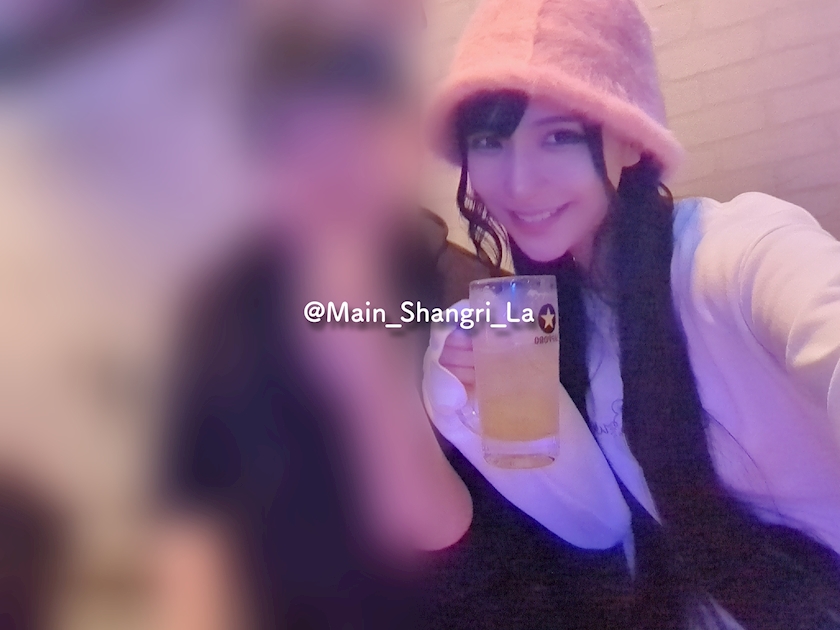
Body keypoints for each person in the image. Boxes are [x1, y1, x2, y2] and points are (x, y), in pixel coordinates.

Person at [422, 0, 840, 628]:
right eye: (489, 141)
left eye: (560, 135)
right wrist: (474, 411)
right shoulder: (542, 320)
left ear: (631, 140)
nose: (519, 183)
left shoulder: (733, 255)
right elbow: (598, 527)